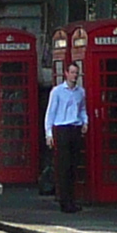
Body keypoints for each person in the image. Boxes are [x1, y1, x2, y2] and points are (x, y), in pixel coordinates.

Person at [44, 61, 91, 214]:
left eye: (76, 73)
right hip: (62, 129)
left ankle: (72, 200)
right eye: (72, 72)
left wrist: (85, 122)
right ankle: (65, 203)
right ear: (66, 73)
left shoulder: (80, 92)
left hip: (75, 129)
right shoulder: (57, 92)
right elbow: (50, 113)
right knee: (64, 167)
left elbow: (83, 109)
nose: (74, 76)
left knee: (73, 167)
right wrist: (48, 133)